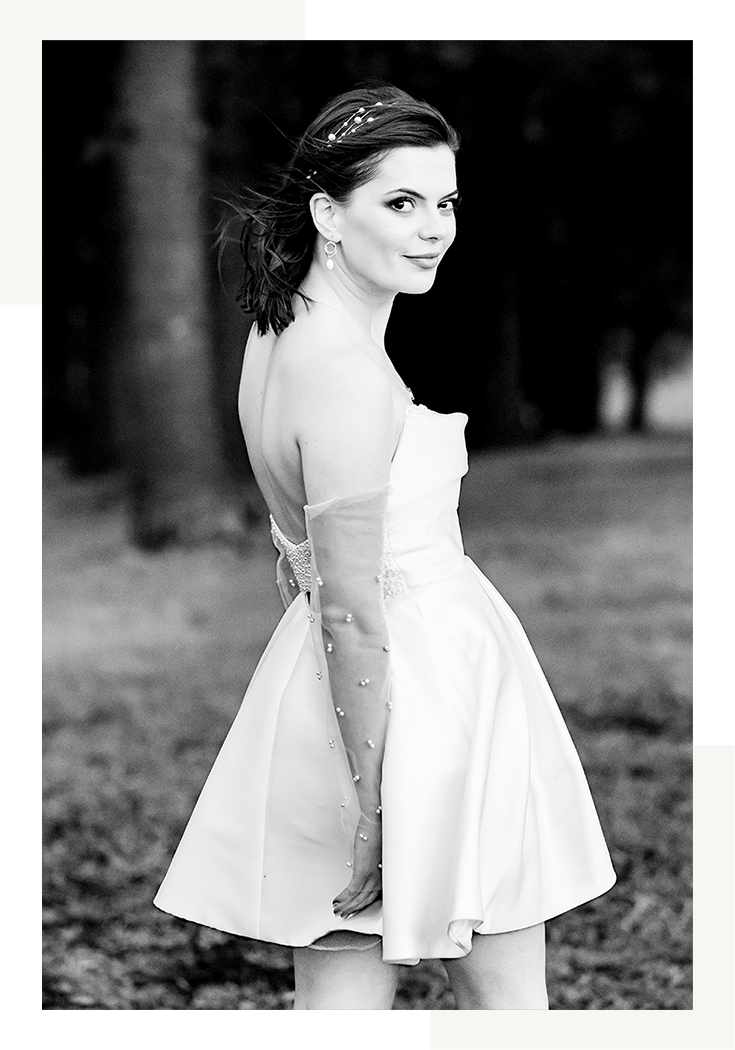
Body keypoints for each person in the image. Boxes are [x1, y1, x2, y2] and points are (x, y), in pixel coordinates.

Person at [153, 82, 616, 1011]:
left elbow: (303, 558)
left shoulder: (278, 332)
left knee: (338, 995)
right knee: (508, 1007)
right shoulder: (345, 377)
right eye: (399, 203)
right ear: (328, 212)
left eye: (443, 202)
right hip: (417, 699)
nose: (432, 228)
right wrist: (377, 801)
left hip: (322, 685)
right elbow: (355, 605)